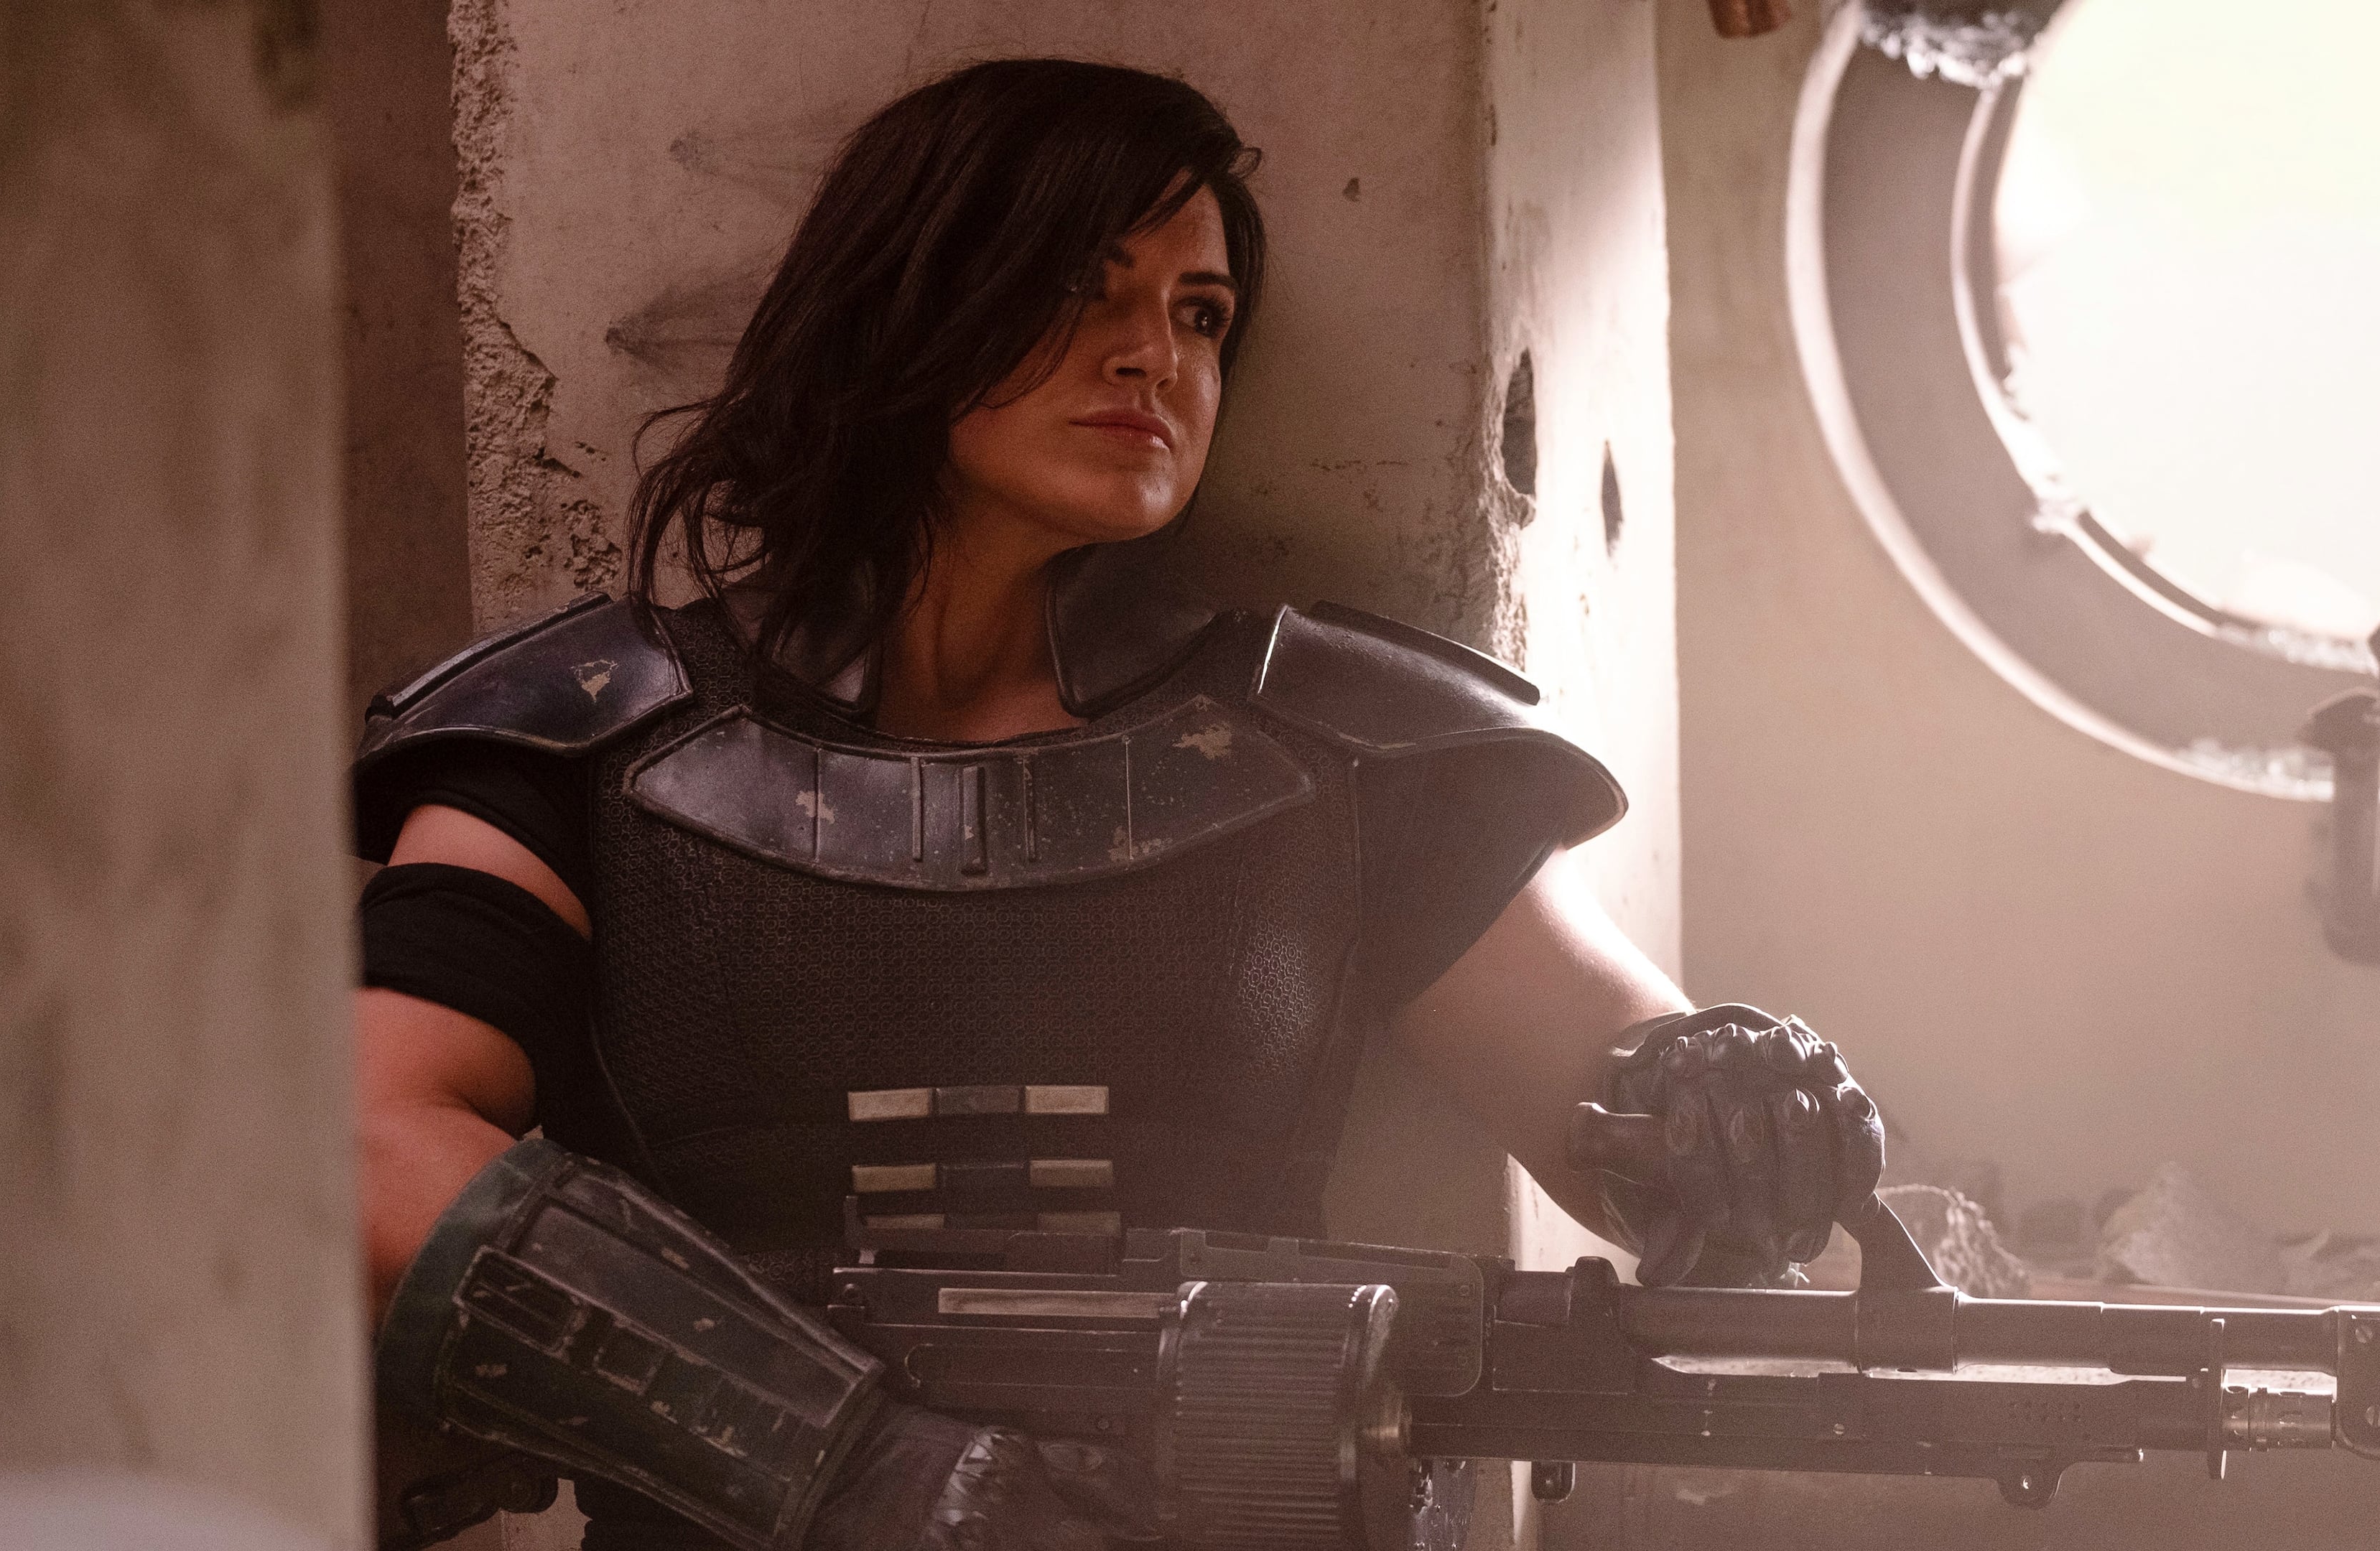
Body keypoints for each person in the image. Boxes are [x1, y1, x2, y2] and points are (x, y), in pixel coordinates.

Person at [353, 58, 1884, 1551]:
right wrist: (863, 1466)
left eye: (1200, 314)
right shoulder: (576, 740)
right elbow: (367, 1143)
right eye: (1084, 289)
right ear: (906, 300)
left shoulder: (1343, 749)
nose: (1157, 356)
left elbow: (1627, 1111)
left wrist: (1733, 1115)